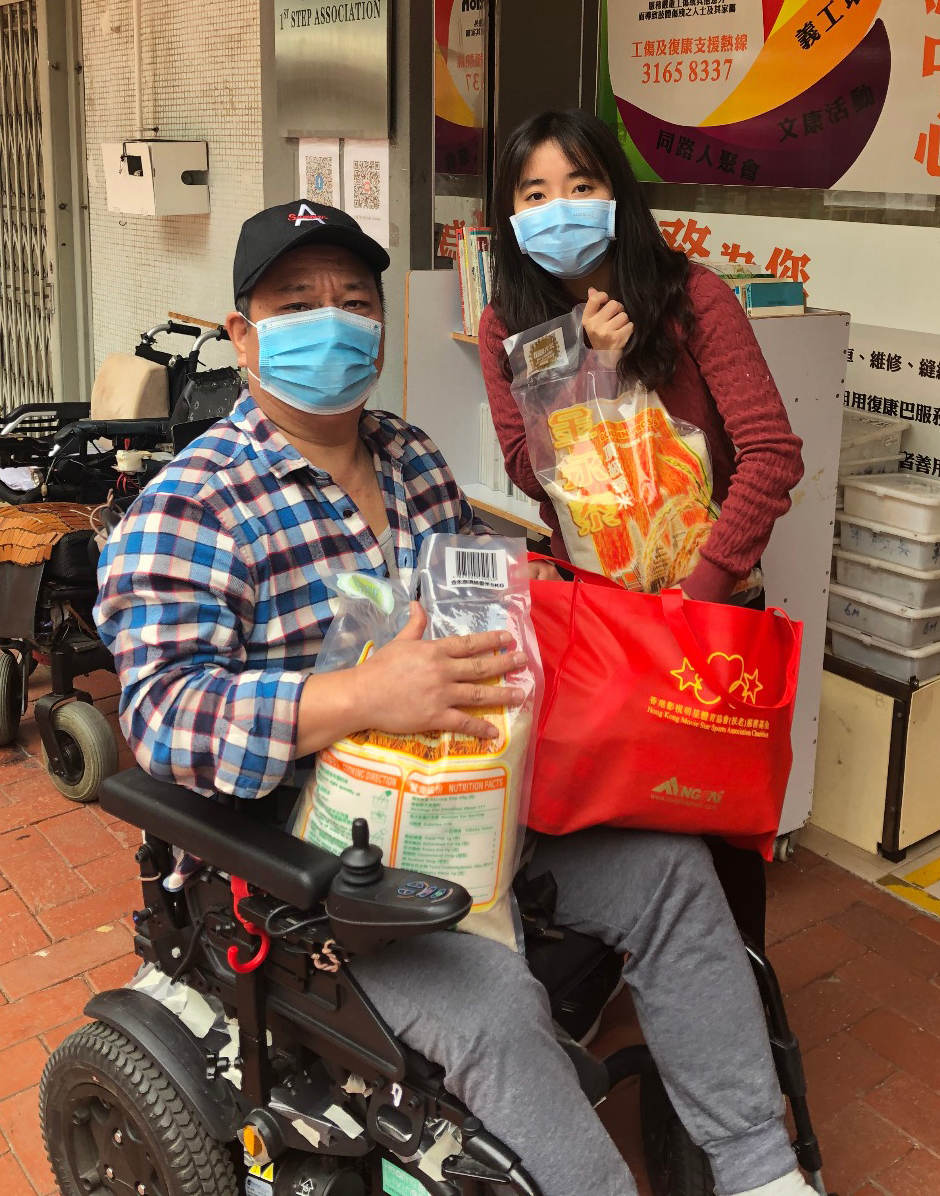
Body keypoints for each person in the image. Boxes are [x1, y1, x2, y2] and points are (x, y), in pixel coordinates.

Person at [95, 200, 815, 1196]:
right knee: (495, 1008)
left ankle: (759, 1171)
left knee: (670, 872)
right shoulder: (191, 504)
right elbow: (167, 723)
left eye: (354, 300)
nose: (332, 320)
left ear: (381, 328)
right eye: (296, 302)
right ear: (243, 335)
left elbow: (487, 605)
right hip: (318, 863)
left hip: (476, 805)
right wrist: (359, 693)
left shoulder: (412, 456)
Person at [478, 110, 806, 951]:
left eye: (581, 186)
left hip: (709, 610)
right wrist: (582, 363)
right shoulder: (505, 324)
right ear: (511, 214)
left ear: (616, 194)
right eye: (537, 192)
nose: (561, 206)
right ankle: (628, 979)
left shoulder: (694, 297)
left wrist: (698, 596)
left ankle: (738, 1023)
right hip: (602, 618)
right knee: (611, 808)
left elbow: (770, 457)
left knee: (718, 818)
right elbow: (526, 467)